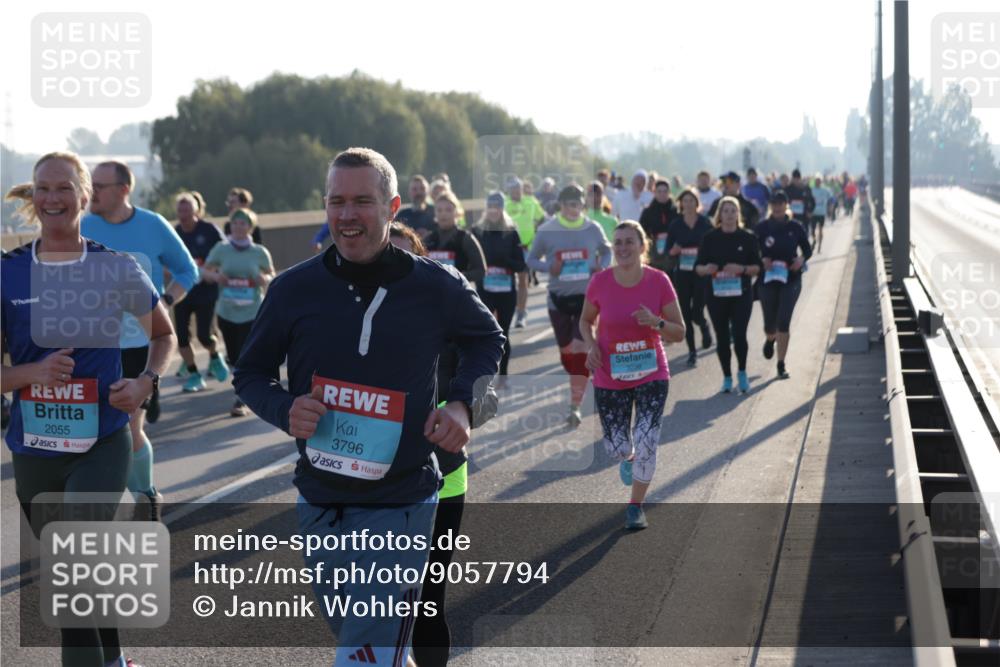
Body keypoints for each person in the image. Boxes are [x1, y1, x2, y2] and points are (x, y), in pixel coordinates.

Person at [233, 148, 504, 667]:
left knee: (362, 652)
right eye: (336, 201)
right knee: (365, 640)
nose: (347, 214)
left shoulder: (435, 286)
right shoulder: (293, 289)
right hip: (320, 499)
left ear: (393, 206)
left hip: (402, 500)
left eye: (362, 201)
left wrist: (463, 406)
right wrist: (284, 408)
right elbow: (250, 373)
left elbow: (486, 338)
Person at [3, 151, 175, 666]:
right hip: (34, 450)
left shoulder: (115, 267)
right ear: (33, 198)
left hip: (101, 441)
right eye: (42, 189)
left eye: (63, 188)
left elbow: (163, 335)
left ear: (86, 196)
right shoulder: (9, 273)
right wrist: (30, 375)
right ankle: (115, 658)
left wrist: (145, 382)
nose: (52, 198)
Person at [82, 160, 199, 521]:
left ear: (123, 189)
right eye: (90, 185)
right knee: (94, 434)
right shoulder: (82, 226)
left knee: (132, 425)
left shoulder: (153, 226)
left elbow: (187, 270)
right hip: (94, 347)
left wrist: (165, 302)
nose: (92, 192)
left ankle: (144, 494)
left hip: (140, 346)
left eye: (100, 186)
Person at [580, 220, 684, 530]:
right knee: (618, 447)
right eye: (618, 242)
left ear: (642, 246)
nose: (623, 247)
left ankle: (635, 506)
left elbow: (679, 332)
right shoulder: (600, 282)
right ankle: (629, 457)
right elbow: (586, 321)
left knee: (647, 440)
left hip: (652, 372)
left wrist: (656, 322)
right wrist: (591, 346)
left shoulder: (659, 281)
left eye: (629, 241)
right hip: (610, 374)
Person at [526, 184, 612, 426]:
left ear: (582, 205)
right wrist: (548, 267)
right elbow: (531, 259)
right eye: (568, 204)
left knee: (580, 348)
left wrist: (601, 266)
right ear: (560, 206)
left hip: (587, 299)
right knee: (567, 354)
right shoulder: (547, 229)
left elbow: (607, 250)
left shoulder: (592, 228)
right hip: (558, 300)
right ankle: (583, 373)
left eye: (577, 204)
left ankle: (574, 405)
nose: (573, 209)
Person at [201, 209, 275, 416]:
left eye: (243, 224)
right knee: (234, 356)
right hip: (226, 311)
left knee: (245, 355)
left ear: (250, 227)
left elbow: (271, 274)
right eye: (235, 224)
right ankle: (241, 388)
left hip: (252, 311)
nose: (238, 227)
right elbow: (204, 271)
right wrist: (216, 277)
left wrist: (265, 280)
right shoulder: (221, 249)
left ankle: (241, 398)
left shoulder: (259, 252)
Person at [696, 196, 762, 393]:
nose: (730, 215)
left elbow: (757, 268)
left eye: (733, 211)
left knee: (739, 335)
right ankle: (726, 376)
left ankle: (741, 372)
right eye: (725, 211)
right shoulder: (709, 238)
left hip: (741, 294)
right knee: (722, 337)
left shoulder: (748, 237)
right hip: (716, 296)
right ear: (719, 215)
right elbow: (697, 268)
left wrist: (741, 268)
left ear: (738, 214)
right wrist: (707, 268)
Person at [172, 192, 228, 391]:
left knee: (204, 335)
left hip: (206, 290)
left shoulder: (209, 230)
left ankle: (214, 355)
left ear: (196, 210)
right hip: (182, 291)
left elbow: (225, 251)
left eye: (187, 209)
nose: (183, 213)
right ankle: (194, 374)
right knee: (182, 338)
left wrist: (213, 271)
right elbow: (166, 259)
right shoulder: (175, 233)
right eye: (180, 209)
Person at [755, 191, 813, 379]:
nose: (778, 207)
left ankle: (781, 364)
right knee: (770, 324)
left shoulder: (795, 226)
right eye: (774, 203)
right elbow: (752, 250)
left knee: (784, 321)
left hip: (791, 278)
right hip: (768, 279)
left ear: (786, 205)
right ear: (770, 205)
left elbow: (807, 249)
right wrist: (761, 259)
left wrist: (801, 259)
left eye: (781, 203)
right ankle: (770, 338)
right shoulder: (762, 227)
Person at [471, 193, 526, 384]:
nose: (494, 210)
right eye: (491, 206)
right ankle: (483, 374)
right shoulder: (476, 231)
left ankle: (503, 375)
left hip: (506, 292)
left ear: (502, 209)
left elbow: (521, 265)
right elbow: (467, 261)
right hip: (485, 290)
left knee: (503, 333)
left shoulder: (511, 232)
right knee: (485, 333)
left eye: (497, 207)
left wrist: (506, 262)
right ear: (487, 208)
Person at [667, 189, 714, 365]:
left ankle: (703, 325)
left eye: (691, 200)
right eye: (685, 201)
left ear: (697, 203)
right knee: (685, 312)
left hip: (701, 272)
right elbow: (668, 251)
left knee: (697, 312)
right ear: (681, 204)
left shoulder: (704, 223)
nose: (688, 204)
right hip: (683, 273)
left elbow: (713, 243)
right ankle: (692, 351)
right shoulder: (676, 225)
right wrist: (674, 251)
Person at [505, 177, 546, 328]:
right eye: (512, 189)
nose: (515, 191)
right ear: (508, 191)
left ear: (522, 189)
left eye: (518, 188)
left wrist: (536, 236)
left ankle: (521, 313)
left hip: (526, 247)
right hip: (508, 247)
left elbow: (542, 218)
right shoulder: (504, 203)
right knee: (508, 281)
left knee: (523, 280)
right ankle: (507, 311)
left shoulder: (531, 202)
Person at [423, 190, 487, 284]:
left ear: (457, 212)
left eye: (448, 210)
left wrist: (458, 276)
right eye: (439, 210)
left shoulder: (465, 238)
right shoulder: (428, 239)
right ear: (435, 213)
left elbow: (481, 271)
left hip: (457, 293)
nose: (443, 214)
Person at [638, 179, 677, 274]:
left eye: (665, 191)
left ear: (669, 193)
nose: (662, 194)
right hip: (654, 254)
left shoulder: (676, 211)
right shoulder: (648, 212)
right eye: (659, 191)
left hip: (672, 254)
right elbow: (641, 233)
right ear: (654, 192)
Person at [395, 174, 437, 240]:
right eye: (415, 189)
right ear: (409, 192)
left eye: (422, 188)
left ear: (428, 191)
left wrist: (430, 234)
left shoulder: (436, 212)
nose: (419, 192)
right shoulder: (402, 215)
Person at [809, 176, 833, 253]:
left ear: (821, 182)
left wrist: (830, 209)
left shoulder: (825, 190)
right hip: (813, 213)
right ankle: (814, 240)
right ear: (815, 182)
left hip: (822, 213)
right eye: (816, 181)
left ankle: (820, 246)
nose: (818, 182)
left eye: (819, 181)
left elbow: (831, 199)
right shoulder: (811, 190)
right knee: (812, 230)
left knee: (821, 229)